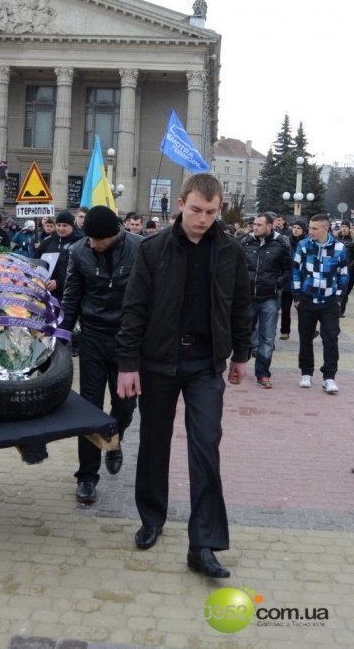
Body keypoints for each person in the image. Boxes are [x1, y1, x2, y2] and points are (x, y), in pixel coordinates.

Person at [116, 173, 251, 579]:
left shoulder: (230, 251)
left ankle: (204, 544)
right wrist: (127, 364)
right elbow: (135, 308)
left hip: (206, 365)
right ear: (180, 204)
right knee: (154, 442)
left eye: (211, 212)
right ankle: (152, 517)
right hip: (158, 363)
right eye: (196, 209)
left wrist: (242, 354)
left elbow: (241, 304)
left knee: (206, 446)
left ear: (219, 209)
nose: (203, 218)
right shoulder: (153, 249)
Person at [61, 205, 142, 504]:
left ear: (115, 234)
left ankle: (113, 436)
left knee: (125, 406)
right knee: (89, 407)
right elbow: (72, 295)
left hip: (128, 341)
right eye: (89, 238)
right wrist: (63, 336)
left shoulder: (139, 248)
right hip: (93, 337)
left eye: (98, 239)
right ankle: (86, 476)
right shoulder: (79, 251)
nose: (92, 243)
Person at [292, 214, 349, 393]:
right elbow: (294, 270)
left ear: (326, 229)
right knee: (306, 337)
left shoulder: (339, 247)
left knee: (331, 338)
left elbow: (344, 274)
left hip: (330, 301)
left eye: (315, 228)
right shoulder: (303, 245)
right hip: (307, 299)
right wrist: (297, 297)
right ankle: (306, 373)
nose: (311, 231)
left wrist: (339, 298)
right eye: (310, 228)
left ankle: (329, 377)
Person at [241, 213, 291, 388]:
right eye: (254, 224)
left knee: (267, 338)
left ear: (269, 226)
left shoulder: (281, 244)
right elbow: (237, 266)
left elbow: (288, 269)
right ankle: (242, 356)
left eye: (259, 225)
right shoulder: (246, 242)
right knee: (243, 332)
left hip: (269, 298)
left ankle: (262, 374)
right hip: (247, 296)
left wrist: (277, 285)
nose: (255, 227)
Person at [39, 210, 83, 300]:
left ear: (72, 226)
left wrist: (59, 283)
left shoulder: (80, 243)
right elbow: (37, 263)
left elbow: (80, 270)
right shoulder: (47, 242)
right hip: (47, 292)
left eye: (65, 225)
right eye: (58, 225)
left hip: (71, 295)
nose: (61, 229)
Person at [279, 219, 307, 339]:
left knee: (302, 309)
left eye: (298, 228)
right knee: (285, 309)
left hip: (301, 280)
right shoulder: (286, 241)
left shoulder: (307, 243)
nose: (295, 230)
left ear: (303, 230)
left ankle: (305, 331)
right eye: (294, 227)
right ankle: (285, 331)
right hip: (287, 280)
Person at [336, 220, 354, 318]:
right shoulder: (336, 239)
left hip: (349, 269)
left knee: (345, 290)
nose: (344, 228)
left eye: (346, 226)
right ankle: (337, 310)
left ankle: (341, 310)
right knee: (337, 288)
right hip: (337, 268)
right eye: (342, 226)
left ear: (349, 228)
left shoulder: (352, 240)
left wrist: (350, 266)